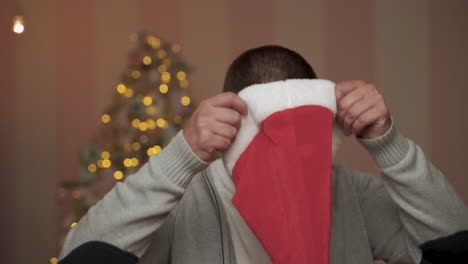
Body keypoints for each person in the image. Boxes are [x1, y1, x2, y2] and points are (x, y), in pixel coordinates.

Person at [58, 46, 468, 264]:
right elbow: (81, 257)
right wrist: (180, 157)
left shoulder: (353, 194)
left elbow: (453, 247)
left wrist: (387, 143)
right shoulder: (188, 202)